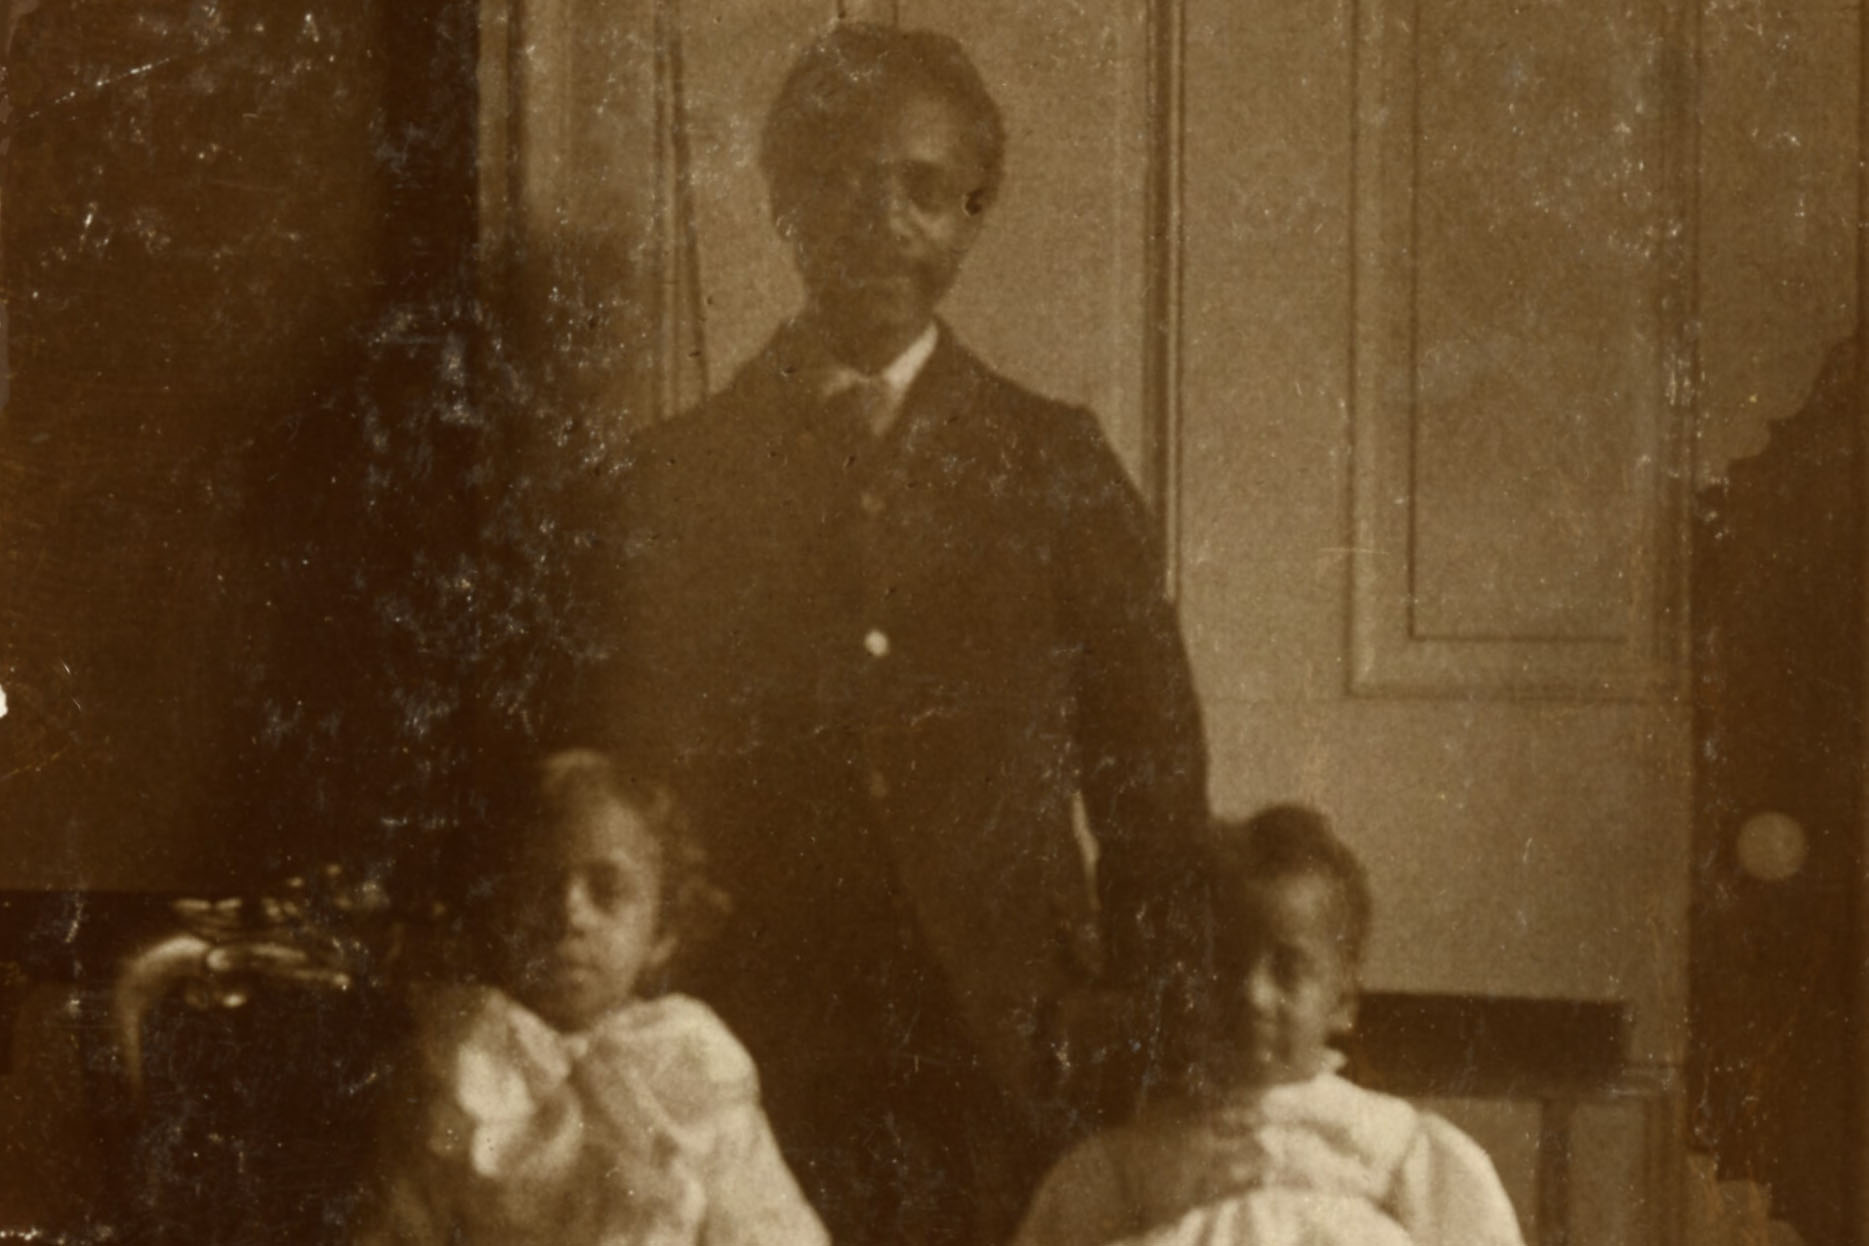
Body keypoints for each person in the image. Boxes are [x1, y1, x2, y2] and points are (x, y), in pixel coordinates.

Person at [590, 21, 1210, 1246]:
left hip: (1006, 1061)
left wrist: (1146, 1036)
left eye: (924, 189)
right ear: (782, 202)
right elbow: (625, 784)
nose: (880, 221)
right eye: (839, 180)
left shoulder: (1054, 468)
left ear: (973, 217)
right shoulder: (677, 481)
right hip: (756, 1059)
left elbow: (1152, 783)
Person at [353, 750, 828, 1246]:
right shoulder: (461, 1061)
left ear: (661, 929)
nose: (570, 914)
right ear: (498, 909)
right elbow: (394, 1231)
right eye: (539, 887)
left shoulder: (690, 1062)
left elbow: (768, 1232)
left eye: (607, 890)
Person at [1011, 805, 1526, 1246]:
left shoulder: (1396, 1148)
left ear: (1342, 1001)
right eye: (1223, 966)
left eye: (1288, 970)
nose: (1252, 995)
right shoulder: (1132, 1165)